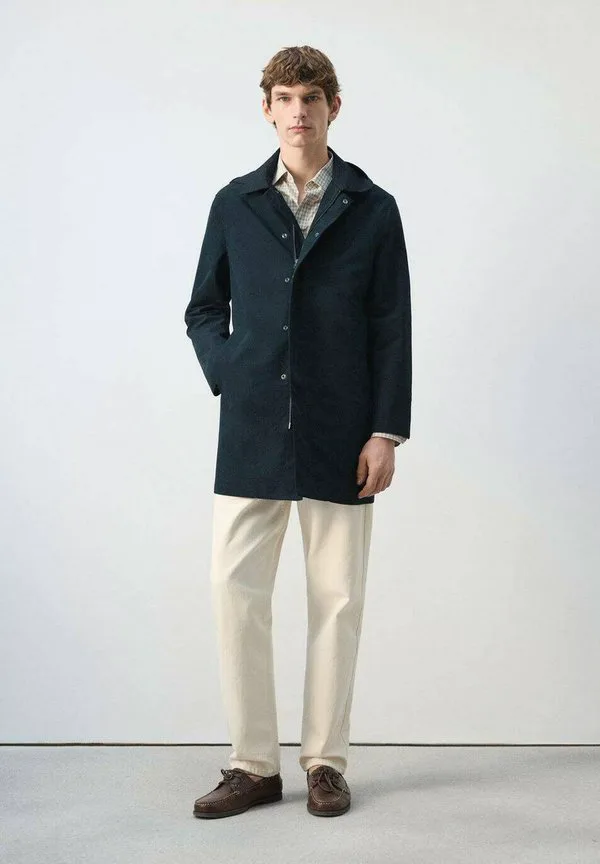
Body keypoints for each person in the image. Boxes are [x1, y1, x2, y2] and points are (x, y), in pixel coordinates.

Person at [185, 45, 411, 819]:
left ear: (332, 107)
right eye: (284, 97)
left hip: (343, 429)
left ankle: (325, 763)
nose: (298, 111)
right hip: (252, 427)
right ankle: (253, 764)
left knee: (337, 599)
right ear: (267, 109)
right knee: (234, 591)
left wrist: (385, 431)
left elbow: (391, 326)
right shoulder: (235, 202)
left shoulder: (373, 207)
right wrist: (233, 368)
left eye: (311, 97)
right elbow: (203, 307)